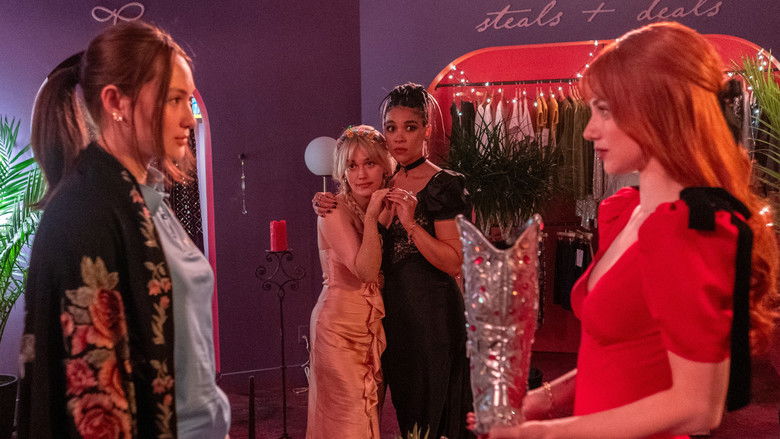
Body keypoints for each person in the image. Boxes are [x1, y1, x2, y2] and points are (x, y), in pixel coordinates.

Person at [470, 21, 779, 439]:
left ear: (657, 111)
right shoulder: (629, 212)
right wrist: (546, 398)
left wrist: (544, 433)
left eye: (605, 110)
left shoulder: (687, 228)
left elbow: (697, 408)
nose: (588, 130)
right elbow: (620, 351)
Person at [18, 21, 230, 438]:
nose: (189, 118)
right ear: (116, 101)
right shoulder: (85, 213)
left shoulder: (146, 200)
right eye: (174, 99)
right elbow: (91, 397)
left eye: (189, 100)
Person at [314, 83, 474, 439]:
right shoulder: (383, 180)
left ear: (426, 129)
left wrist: (412, 225)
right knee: (408, 414)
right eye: (391, 127)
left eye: (410, 127)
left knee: (435, 415)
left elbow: (454, 263)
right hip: (391, 321)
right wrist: (323, 201)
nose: (399, 137)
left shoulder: (443, 185)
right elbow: (351, 211)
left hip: (433, 318)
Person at [306, 125, 393, 438]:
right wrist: (371, 218)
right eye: (352, 166)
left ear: (385, 166)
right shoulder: (332, 209)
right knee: (348, 423)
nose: (361, 174)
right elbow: (366, 271)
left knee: (368, 417)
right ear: (342, 171)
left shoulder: (389, 204)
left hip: (370, 329)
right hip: (338, 330)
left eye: (369, 163)